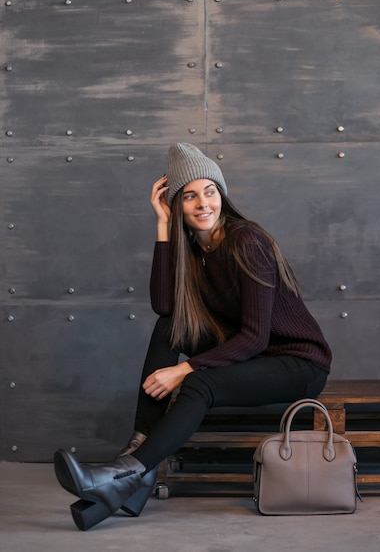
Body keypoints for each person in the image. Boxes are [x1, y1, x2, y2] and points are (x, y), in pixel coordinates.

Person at [54, 142, 332, 530]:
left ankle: (123, 475)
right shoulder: (196, 250)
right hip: (254, 355)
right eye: (189, 196)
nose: (203, 203)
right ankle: (133, 471)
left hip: (294, 362)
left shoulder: (246, 242)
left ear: (222, 195)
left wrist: (183, 371)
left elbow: (254, 337)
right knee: (169, 328)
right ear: (177, 204)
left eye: (210, 191)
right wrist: (162, 226)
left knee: (199, 382)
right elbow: (165, 308)